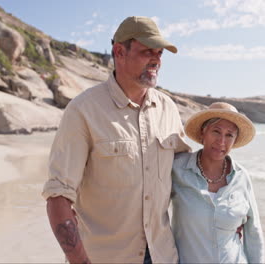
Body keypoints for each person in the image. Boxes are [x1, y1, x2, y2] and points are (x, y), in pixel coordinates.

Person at [42, 16, 190, 263]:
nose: (156, 60)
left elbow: (188, 175)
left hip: (163, 255)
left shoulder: (168, 109)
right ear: (119, 51)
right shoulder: (83, 110)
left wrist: (226, 215)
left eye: (160, 53)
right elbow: (58, 197)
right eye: (147, 52)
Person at [171, 102, 265, 263]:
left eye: (229, 135)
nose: (222, 141)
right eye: (216, 131)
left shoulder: (241, 176)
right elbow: (151, 211)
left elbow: (253, 231)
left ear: (235, 140)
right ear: (203, 133)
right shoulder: (177, 168)